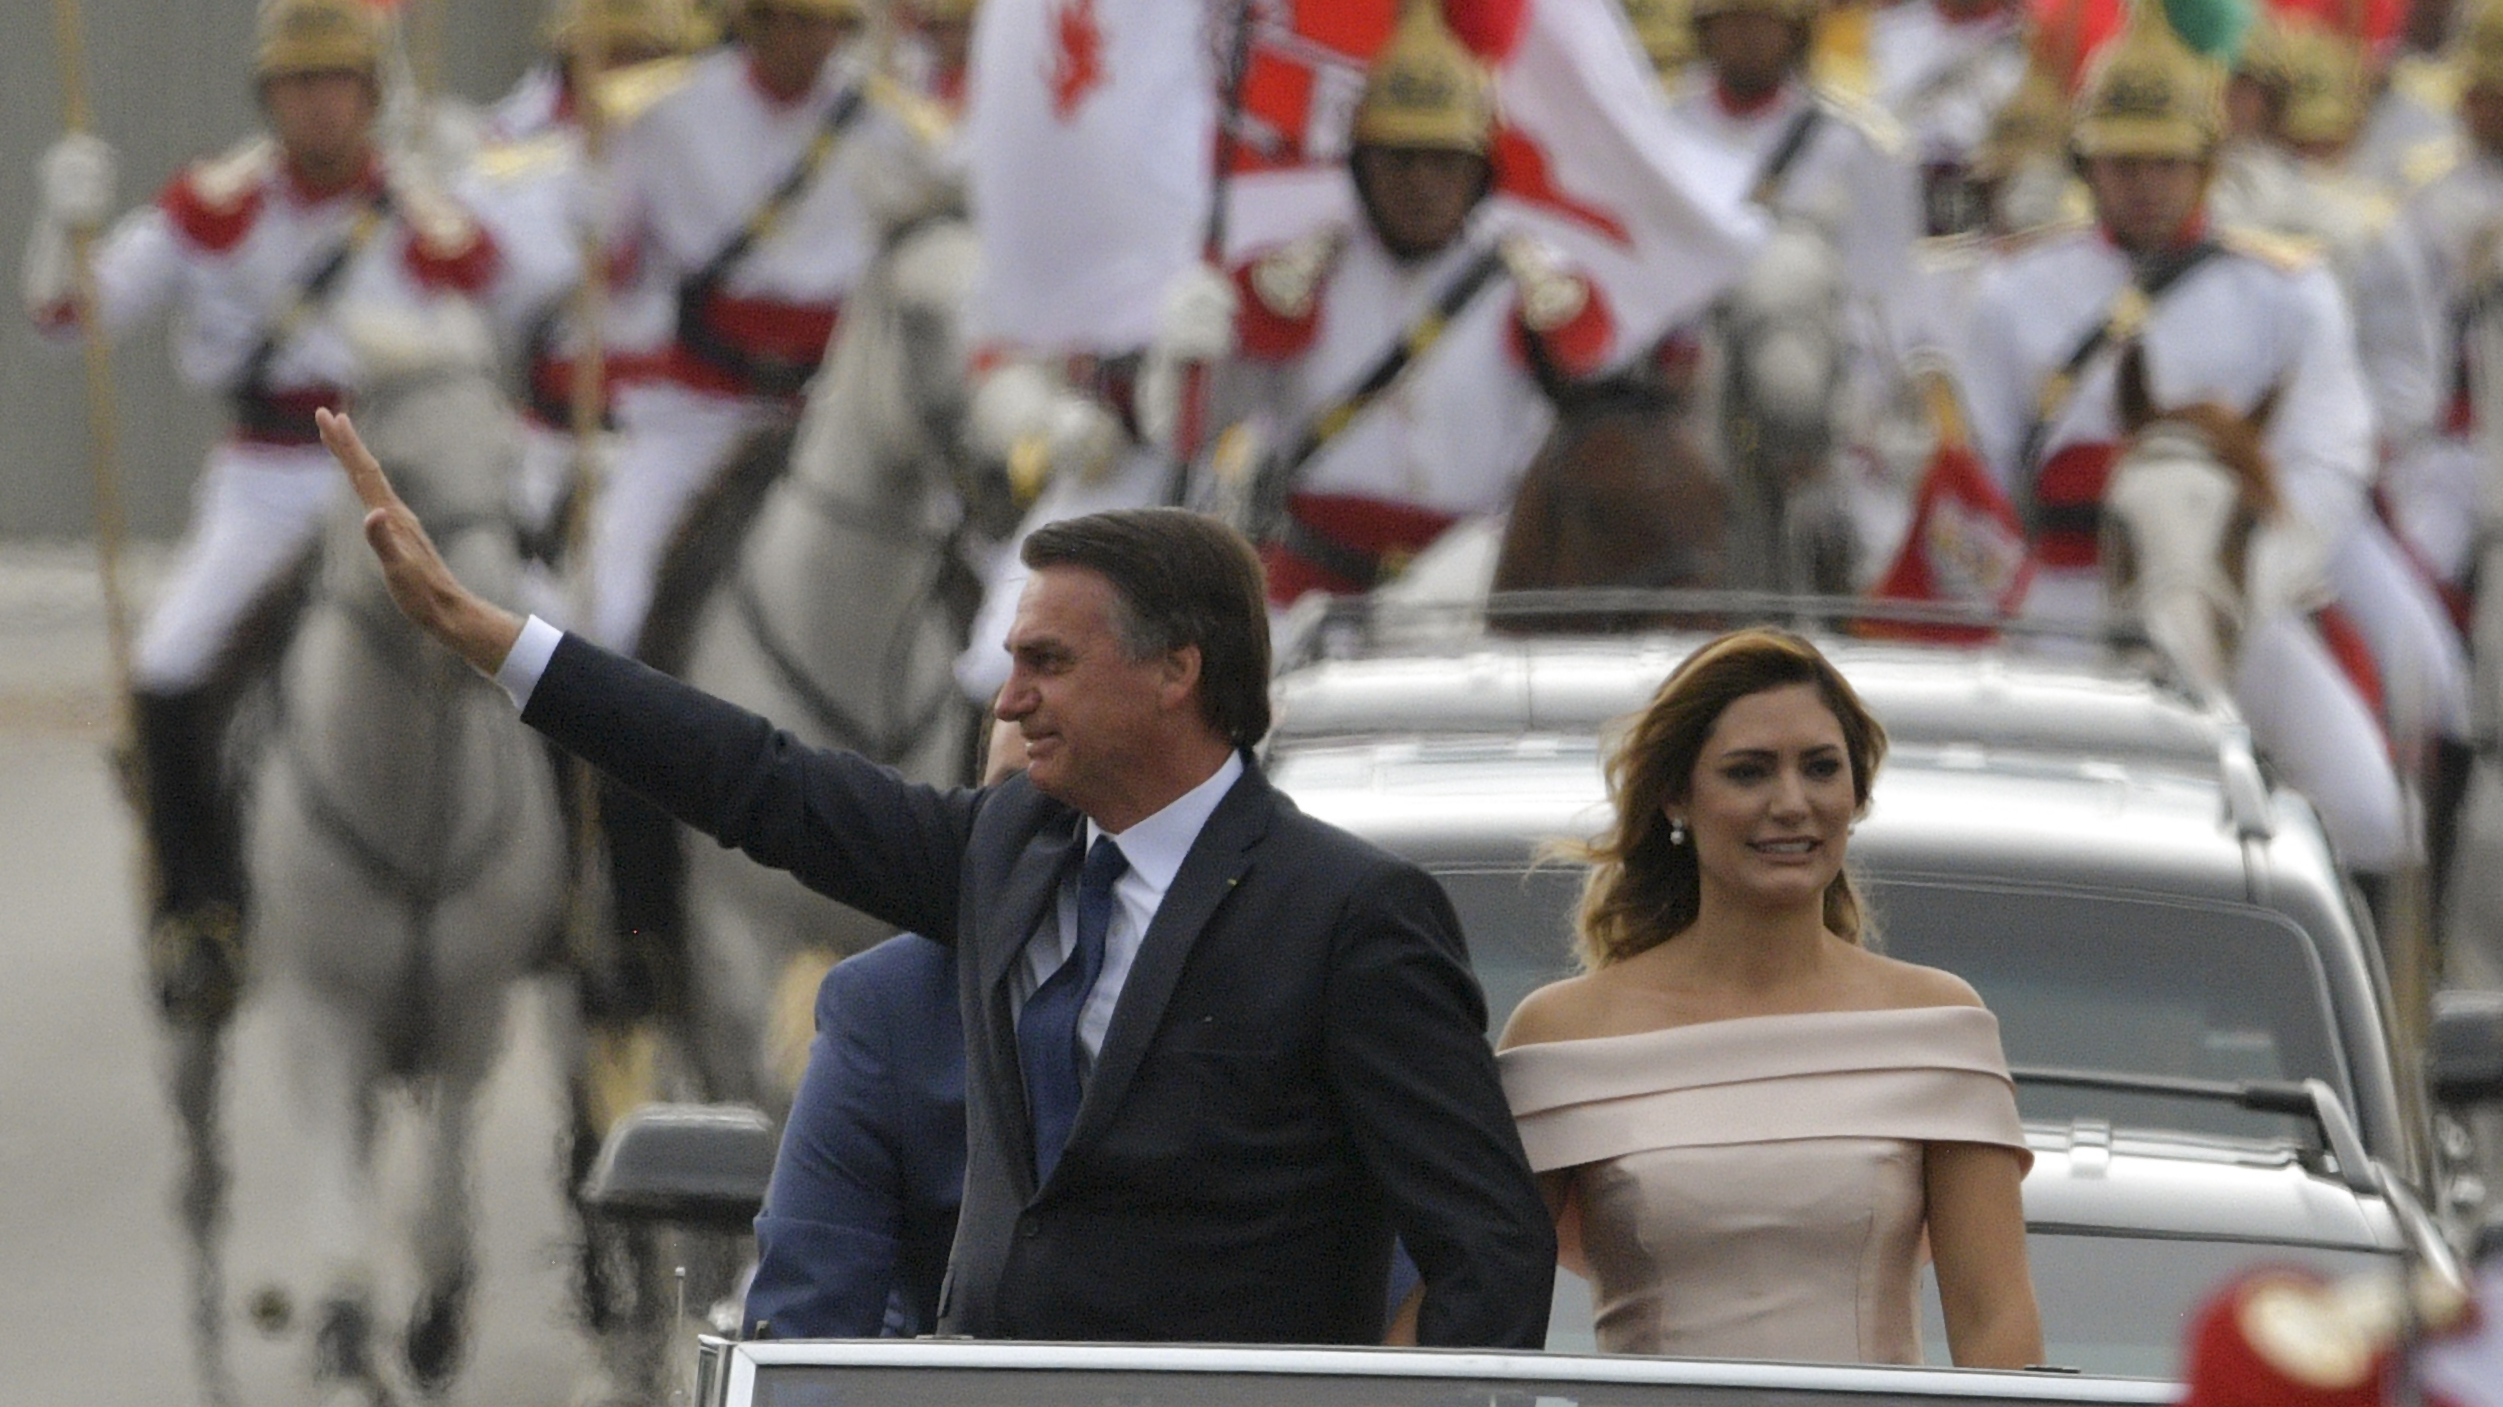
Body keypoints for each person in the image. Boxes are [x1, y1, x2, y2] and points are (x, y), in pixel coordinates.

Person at [314, 407, 1556, 1346]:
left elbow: (1489, 1248)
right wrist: (496, 642)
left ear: (1178, 674)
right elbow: (761, 781)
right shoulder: (1001, 855)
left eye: (1049, 663)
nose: (1008, 700)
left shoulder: (1350, 916)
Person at [19, 0, 500, 1027]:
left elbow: (522, 305)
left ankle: (574, 903)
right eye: (297, 83)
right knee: (168, 663)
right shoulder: (214, 204)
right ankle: (201, 910)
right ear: (268, 97)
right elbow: (72, 319)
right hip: (268, 477)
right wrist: (60, 225)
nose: (318, 104)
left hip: (393, 482)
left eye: (337, 82)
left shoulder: (422, 204)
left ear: (370, 95)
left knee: (538, 641)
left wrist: (512, 190)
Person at [1951, 4, 2430, 881]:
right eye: (2122, 161)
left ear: (2206, 166)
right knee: (1991, 815)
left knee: (2368, 810)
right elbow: (1980, 461)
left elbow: (2328, 455)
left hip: (2231, 590)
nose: (2144, 183)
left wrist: (2245, 580)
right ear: (2086, 166)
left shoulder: (2288, 289)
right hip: (2064, 587)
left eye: (2166, 162)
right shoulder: (2013, 291)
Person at [1496, 627, 2042, 1365]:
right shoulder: (1562, 1032)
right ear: (1674, 796)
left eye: (1820, 768)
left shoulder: (1935, 1023)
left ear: (1855, 793)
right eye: (1749, 772)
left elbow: (1994, 1323)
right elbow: (1479, 1301)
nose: (1791, 802)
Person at [1173, 1, 1615, 607]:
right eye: (1400, 160)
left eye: (1445, 163)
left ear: (1479, 174)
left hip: (1474, 595)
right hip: (1306, 593)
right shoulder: (1296, 278)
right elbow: (1197, 433)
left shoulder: (1535, 291)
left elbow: (1588, 457)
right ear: (1361, 166)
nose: (1422, 183)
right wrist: (1187, 360)